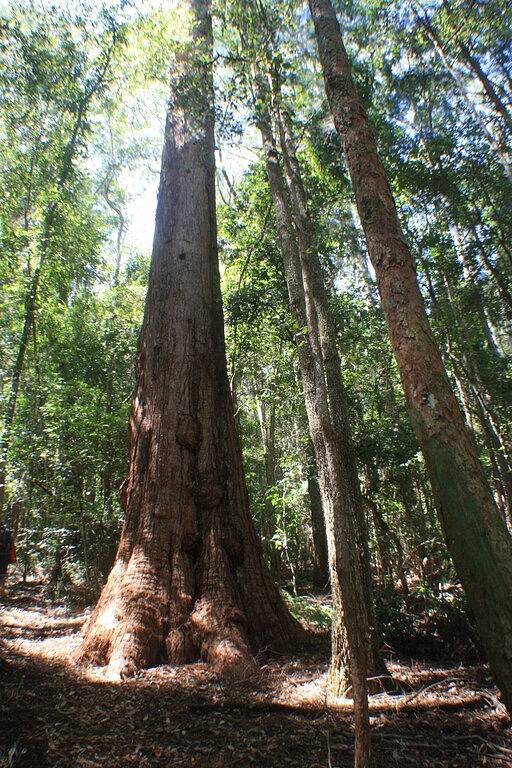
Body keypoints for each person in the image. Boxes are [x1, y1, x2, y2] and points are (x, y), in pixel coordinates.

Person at [0, 522, 15, 599]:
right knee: (2, 574)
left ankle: (2, 590)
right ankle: (2, 589)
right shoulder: (8, 533)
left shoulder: (8, 533)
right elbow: (12, 545)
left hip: (4, 555)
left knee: (2, 574)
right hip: (4, 556)